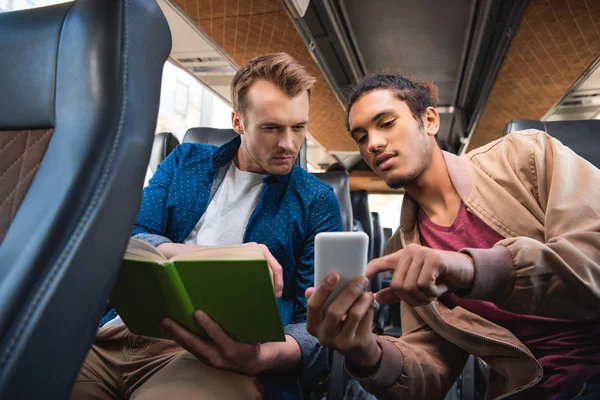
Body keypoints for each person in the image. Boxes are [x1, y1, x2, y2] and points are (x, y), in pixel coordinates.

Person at [306, 74, 600, 400]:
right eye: (361, 137)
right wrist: (368, 353)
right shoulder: (402, 251)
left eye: (386, 123)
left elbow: (593, 255)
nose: (373, 143)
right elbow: (431, 370)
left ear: (429, 120)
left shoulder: (526, 156)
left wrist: (473, 268)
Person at [70, 53, 342, 400]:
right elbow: (130, 236)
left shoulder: (316, 200)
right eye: (271, 128)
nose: (289, 144)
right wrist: (225, 256)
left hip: (213, 357)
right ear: (239, 122)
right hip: (115, 334)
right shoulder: (184, 161)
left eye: (298, 127)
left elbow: (317, 326)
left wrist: (260, 358)